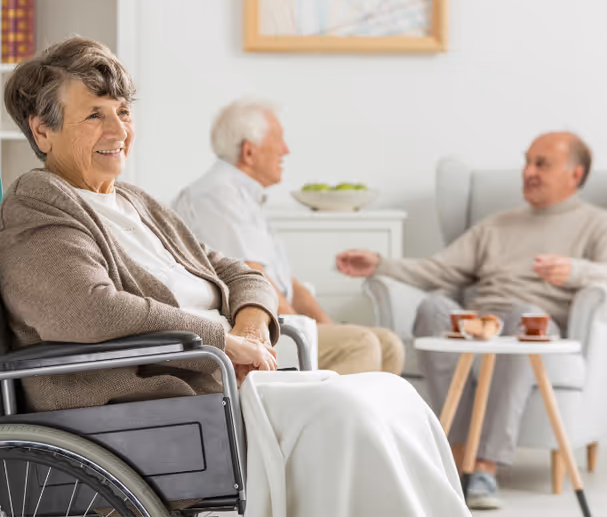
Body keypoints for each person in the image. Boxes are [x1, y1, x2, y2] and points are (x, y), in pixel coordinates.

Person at [0, 37, 467, 516]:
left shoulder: (135, 202)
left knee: (391, 395)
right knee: (348, 415)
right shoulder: (39, 205)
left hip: (224, 385)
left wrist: (247, 328)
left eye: (123, 111)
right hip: (157, 406)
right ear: (42, 132)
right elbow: (87, 310)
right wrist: (221, 338)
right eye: (95, 114)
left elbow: (240, 272)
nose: (118, 128)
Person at [336, 131, 607, 509]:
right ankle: (457, 455)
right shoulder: (498, 224)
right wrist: (382, 264)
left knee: (523, 318)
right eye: (527, 162)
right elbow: (439, 269)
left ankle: (486, 467)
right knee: (434, 309)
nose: (528, 172)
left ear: (575, 175)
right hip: (479, 320)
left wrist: (574, 270)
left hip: (533, 322)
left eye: (542, 164)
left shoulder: (599, 224)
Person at [172, 99, 405, 376]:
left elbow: (289, 285)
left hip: (277, 320)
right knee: (360, 344)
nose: (286, 150)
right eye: (278, 140)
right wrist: (302, 331)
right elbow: (253, 278)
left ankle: (371, 421)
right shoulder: (216, 195)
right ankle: (325, 418)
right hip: (248, 332)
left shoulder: (245, 197)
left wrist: (326, 327)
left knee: (389, 344)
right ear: (249, 151)